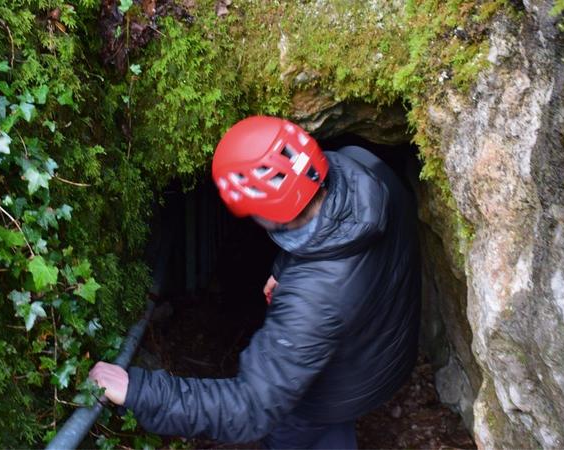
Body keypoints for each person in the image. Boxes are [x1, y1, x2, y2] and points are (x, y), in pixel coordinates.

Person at [90, 116, 421, 449]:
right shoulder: (363, 166)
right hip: (384, 354)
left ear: (267, 214)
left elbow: (250, 408)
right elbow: (336, 234)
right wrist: (286, 265)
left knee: (297, 434)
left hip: (332, 394)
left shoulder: (312, 300)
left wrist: (138, 390)